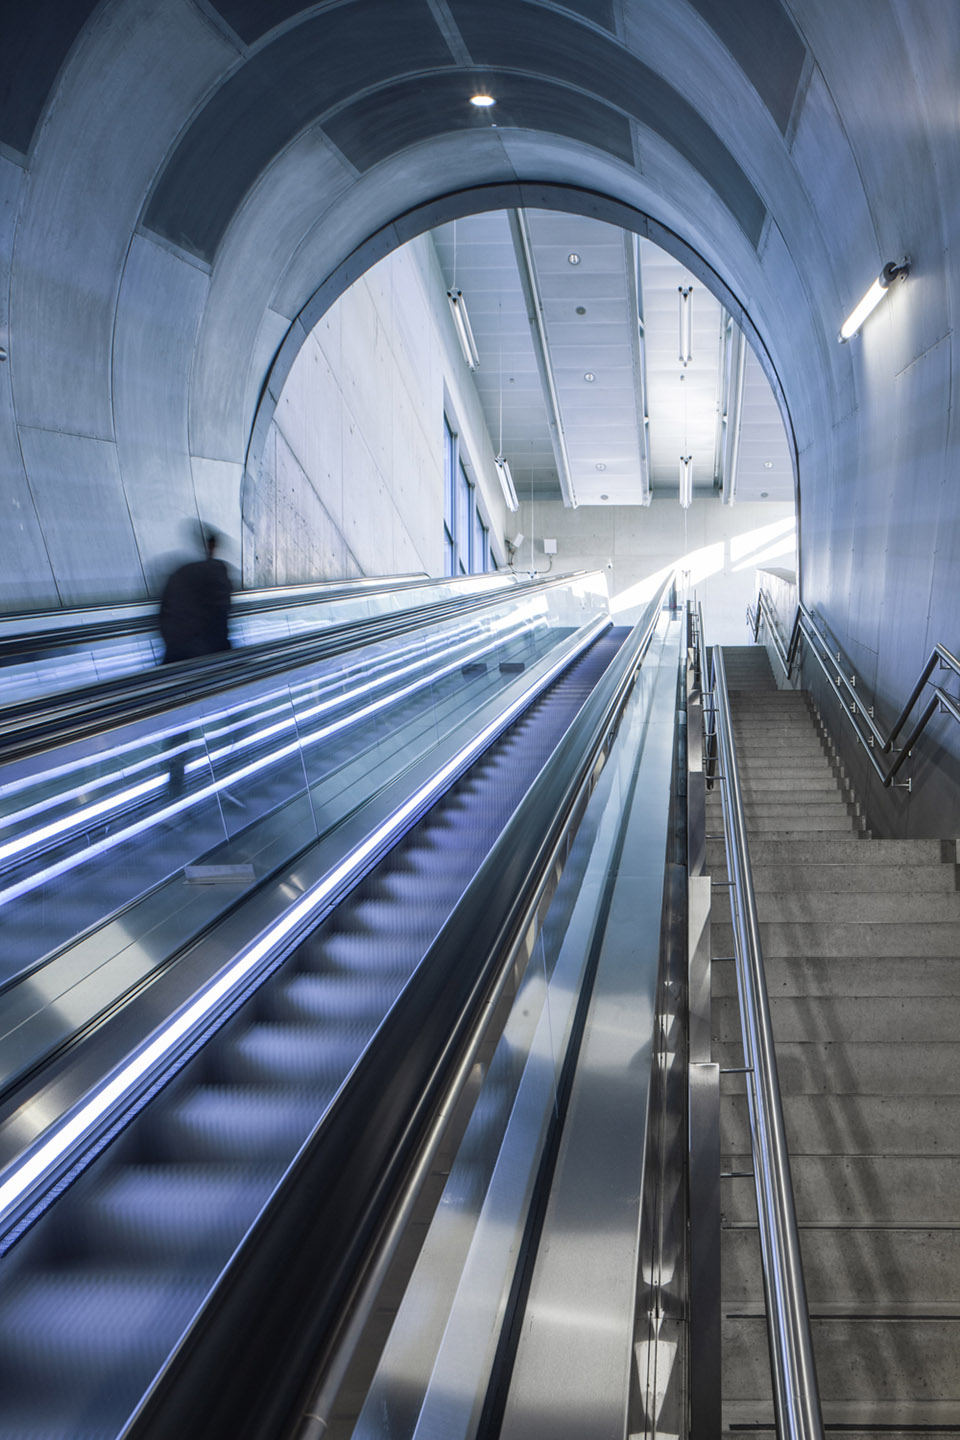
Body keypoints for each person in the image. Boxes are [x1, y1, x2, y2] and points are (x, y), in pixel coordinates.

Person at [158, 530, 232, 795]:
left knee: (180, 725)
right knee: (233, 711)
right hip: (202, 663)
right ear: (213, 546)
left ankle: (174, 781)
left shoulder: (179, 573)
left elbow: (162, 616)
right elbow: (220, 619)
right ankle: (236, 763)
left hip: (176, 660)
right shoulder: (218, 575)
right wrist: (226, 658)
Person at [158, 530, 232, 664]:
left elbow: (165, 612)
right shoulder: (217, 572)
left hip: (176, 649)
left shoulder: (180, 571)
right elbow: (220, 615)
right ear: (213, 546)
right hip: (204, 653)